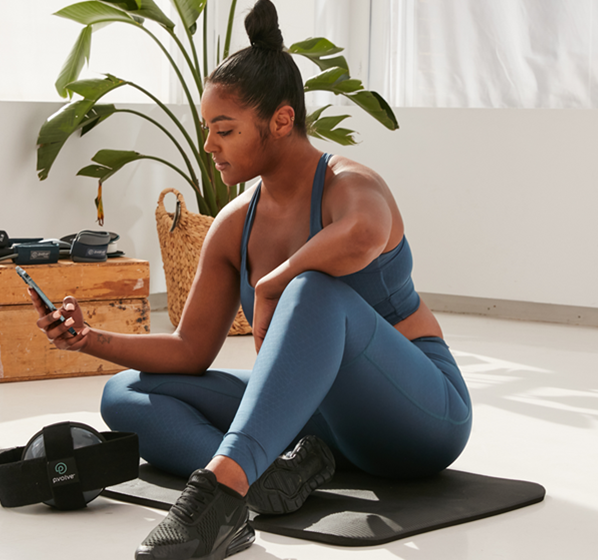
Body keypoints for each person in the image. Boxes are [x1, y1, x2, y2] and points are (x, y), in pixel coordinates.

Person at [29, 1, 472, 558]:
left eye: (224, 129)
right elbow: (191, 350)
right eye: (207, 130)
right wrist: (88, 338)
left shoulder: (348, 185)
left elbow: (364, 234)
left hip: (418, 418)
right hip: (320, 426)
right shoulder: (235, 224)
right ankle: (265, 478)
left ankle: (219, 500)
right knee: (127, 394)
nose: (210, 145)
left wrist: (271, 286)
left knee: (312, 288)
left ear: (281, 121)